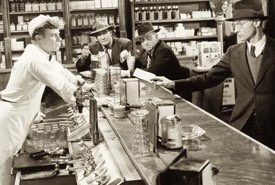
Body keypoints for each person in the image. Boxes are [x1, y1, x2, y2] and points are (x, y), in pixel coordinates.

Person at [152, 0, 275, 150]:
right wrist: (173, 84)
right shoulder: (233, 52)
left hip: (271, 127)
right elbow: (208, 78)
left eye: (241, 24)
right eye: (234, 24)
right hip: (242, 124)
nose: (236, 29)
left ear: (256, 22)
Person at [0, 14, 92, 184]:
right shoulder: (35, 59)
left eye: (59, 34)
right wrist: (86, 98)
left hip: (22, 113)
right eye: (53, 35)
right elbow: (60, 85)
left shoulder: (42, 54)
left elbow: (62, 72)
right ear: (38, 38)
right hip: (11, 119)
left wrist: (83, 84)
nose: (59, 39)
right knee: (6, 170)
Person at [134, 22, 191, 100]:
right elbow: (136, 63)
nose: (145, 42)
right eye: (142, 40)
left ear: (156, 37)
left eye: (149, 38)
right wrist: (124, 60)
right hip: (158, 90)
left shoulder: (164, 50)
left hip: (174, 93)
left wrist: (130, 72)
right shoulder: (145, 50)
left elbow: (151, 73)